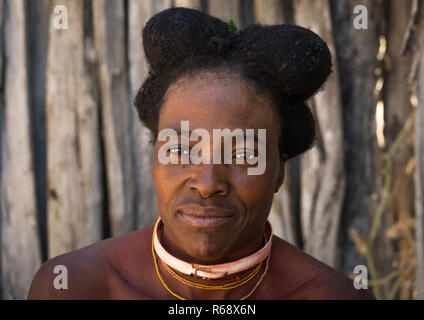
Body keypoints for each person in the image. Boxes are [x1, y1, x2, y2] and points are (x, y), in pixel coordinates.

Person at [28, 7, 375, 300]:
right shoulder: (75, 287)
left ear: (280, 171)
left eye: (242, 155)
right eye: (179, 150)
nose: (208, 184)